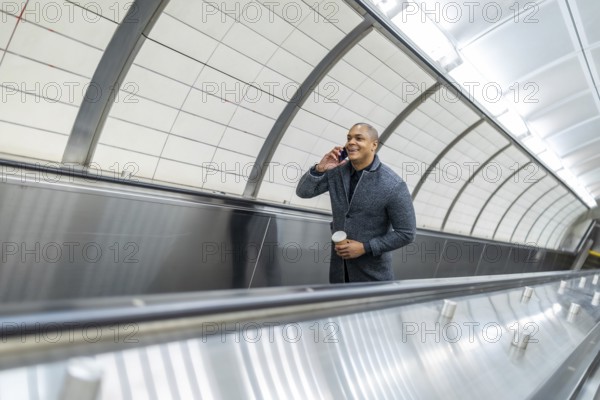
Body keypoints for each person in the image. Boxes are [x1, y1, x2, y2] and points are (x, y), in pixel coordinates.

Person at [296, 123, 416, 283]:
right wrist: (320, 168)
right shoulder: (336, 171)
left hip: (372, 276)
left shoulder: (393, 184)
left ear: (374, 145)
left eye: (359, 138)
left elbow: (406, 233)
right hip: (339, 271)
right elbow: (304, 192)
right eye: (349, 138)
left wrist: (365, 247)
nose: (351, 142)